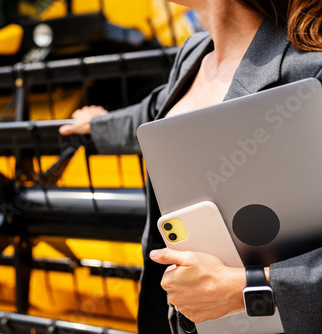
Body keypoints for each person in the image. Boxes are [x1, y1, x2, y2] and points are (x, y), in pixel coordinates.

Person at [59, 1, 322, 333]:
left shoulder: (310, 69)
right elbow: (155, 112)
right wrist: (98, 125)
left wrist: (247, 289)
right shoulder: (194, 53)